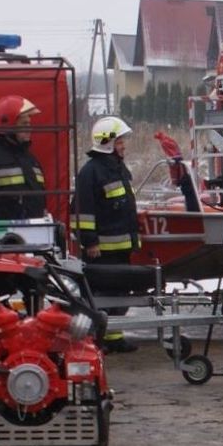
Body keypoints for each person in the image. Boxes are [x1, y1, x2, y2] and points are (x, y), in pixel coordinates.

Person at [71, 116, 142, 354]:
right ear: (107, 142)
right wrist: (90, 242)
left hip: (121, 248)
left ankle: (114, 336)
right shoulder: (90, 173)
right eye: (120, 140)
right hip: (102, 250)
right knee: (101, 296)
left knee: (119, 294)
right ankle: (96, 340)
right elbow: (82, 212)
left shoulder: (118, 169)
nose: (124, 145)